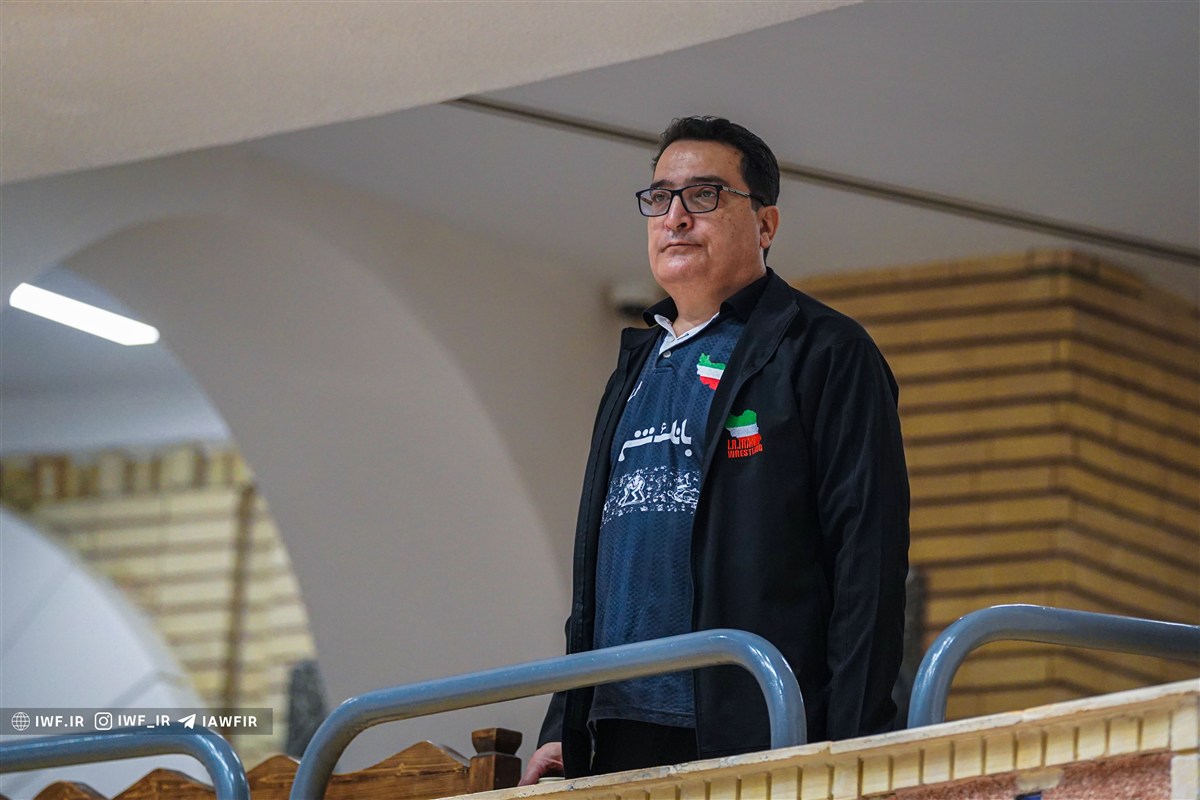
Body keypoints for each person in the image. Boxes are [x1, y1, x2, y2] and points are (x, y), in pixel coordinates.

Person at [519, 116, 909, 783]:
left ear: (765, 224)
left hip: (759, 728)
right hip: (614, 730)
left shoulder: (826, 352)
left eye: (703, 195)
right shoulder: (635, 367)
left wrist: (853, 746)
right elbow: (604, 569)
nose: (675, 217)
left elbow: (866, 560)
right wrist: (564, 723)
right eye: (659, 197)